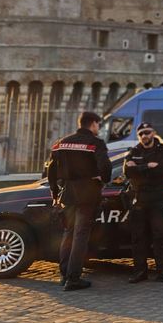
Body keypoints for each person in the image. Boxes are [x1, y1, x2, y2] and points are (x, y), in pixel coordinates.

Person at [46, 111, 111, 291]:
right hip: (88, 194)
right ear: (93, 124)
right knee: (80, 236)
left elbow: (50, 170)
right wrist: (103, 178)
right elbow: (105, 167)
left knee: (68, 234)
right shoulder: (95, 143)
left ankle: (64, 274)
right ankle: (73, 278)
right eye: (98, 124)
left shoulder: (61, 143)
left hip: (68, 194)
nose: (98, 128)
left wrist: (54, 193)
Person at [122, 122, 163, 284]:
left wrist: (138, 167)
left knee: (160, 236)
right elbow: (127, 171)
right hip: (139, 199)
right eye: (141, 134)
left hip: (158, 198)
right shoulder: (134, 151)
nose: (144, 136)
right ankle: (140, 272)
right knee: (138, 238)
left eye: (147, 132)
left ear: (154, 133)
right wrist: (147, 166)